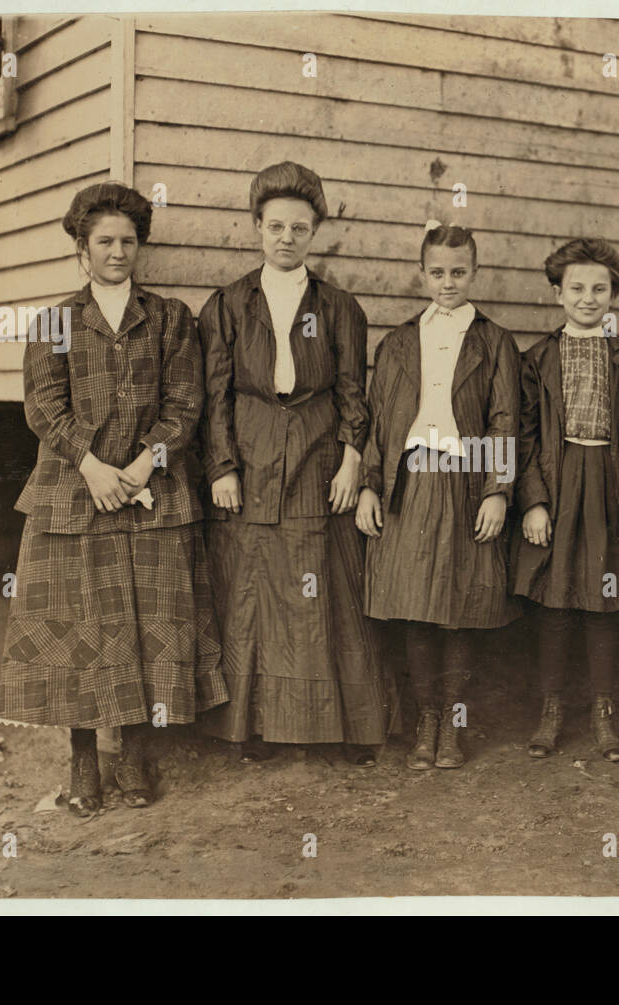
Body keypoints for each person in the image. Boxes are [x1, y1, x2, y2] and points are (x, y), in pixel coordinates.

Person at [0, 182, 226, 816]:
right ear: (83, 249)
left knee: (146, 627)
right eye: (105, 242)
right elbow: (44, 406)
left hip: (151, 490)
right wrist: (92, 466)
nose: (118, 252)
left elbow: (186, 404)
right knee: (79, 629)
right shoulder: (56, 323)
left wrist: (143, 464)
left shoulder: (172, 319)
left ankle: (134, 758)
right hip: (75, 493)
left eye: (128, 241)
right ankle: (82, 761)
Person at [196, 161, 389, 766]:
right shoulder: (227, 305)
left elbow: (355, 389)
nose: (286, 238)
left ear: (314, 234)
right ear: (256, 227)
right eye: (275, 226)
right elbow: (214, 395)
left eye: (299, 228)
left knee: (321, 592)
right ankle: (252, 726)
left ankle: (339, 728)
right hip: (250, 455)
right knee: (250, 590)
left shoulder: (340, 308)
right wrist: (222, 466)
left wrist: (353, 459)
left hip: (318, 451)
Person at [357, 222, 520, 769]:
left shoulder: (495, 341)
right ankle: (424, 718)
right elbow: (379, 425)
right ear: (421, 274)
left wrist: (497, 490)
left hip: (464, 480)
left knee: (457, 607)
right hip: (409, 482)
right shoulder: (399, 340)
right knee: (413, 609)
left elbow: (503, 421)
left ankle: (451, 724)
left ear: (474, 272)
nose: (447, 283)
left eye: (458, 272)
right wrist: (369, 487)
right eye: (437, 272)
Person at [510, 238, 619, 762]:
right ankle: (550, 711)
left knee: (604, 603)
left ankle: (604, 713)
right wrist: (533, 502)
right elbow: (523, 436)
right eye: (576, 288)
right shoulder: (536, 359)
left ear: (614, 295)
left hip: (611, 486)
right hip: (556, 483)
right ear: (557, 293)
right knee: (555, 603)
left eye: (600, 288)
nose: (588, 297)